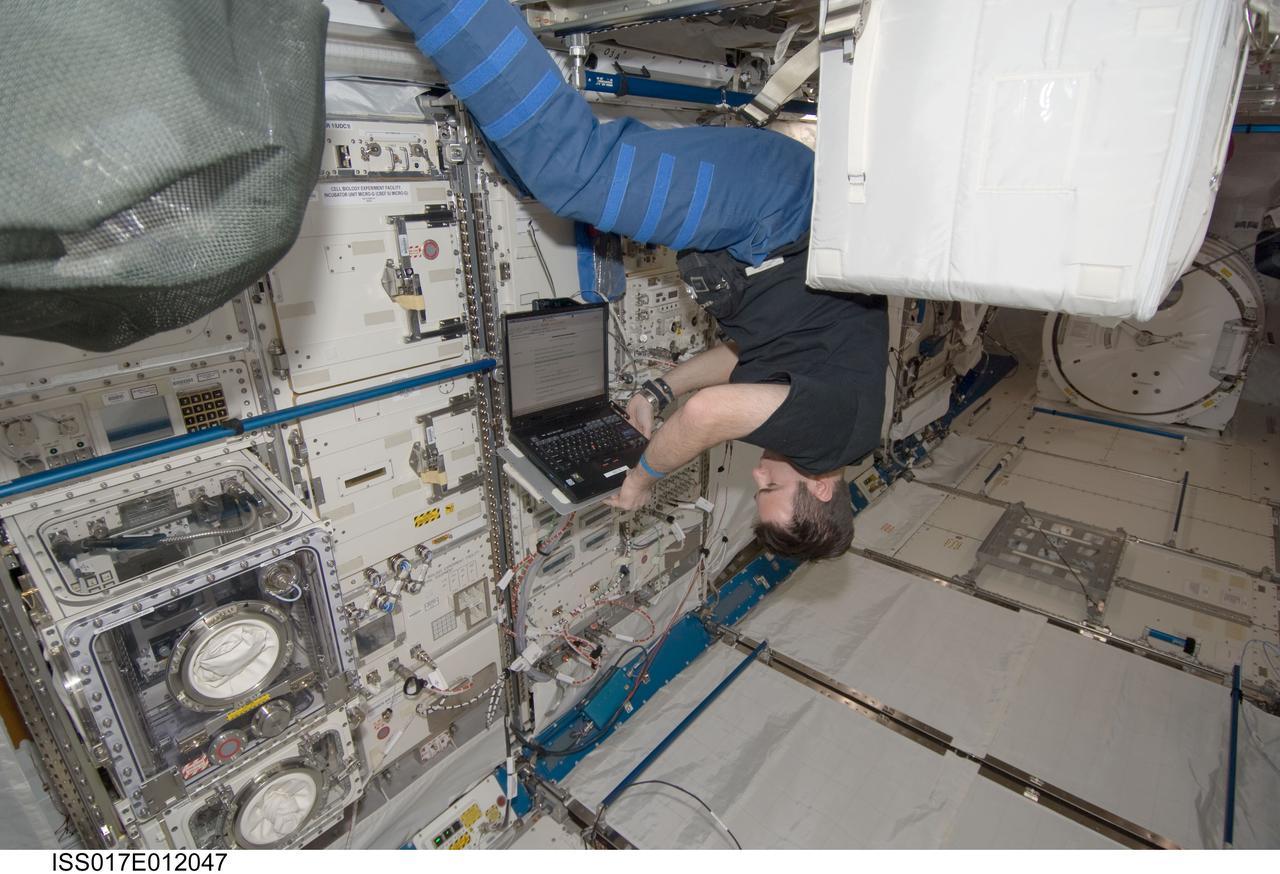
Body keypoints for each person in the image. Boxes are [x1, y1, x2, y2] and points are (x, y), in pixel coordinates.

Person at [384, 0, 888, 560]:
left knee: (537, 176)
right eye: (772, 487)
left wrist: (657, 390)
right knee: (573, 174)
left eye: (759, 488)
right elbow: (708, 415)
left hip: (765, 224)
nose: (761, 473)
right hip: (776, 214)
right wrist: (641, 478)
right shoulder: (831, 442)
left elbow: (743, 357)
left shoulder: (832, 417)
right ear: (821, 487)